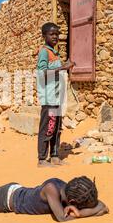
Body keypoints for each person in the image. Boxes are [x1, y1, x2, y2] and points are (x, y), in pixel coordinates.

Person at [36, 22, 75, 168]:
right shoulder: (44, 52)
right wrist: (62, 67)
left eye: (57, 34)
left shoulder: (55, 52)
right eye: (52, 34)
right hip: (49, 98)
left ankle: (54, 156)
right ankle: (41, 159)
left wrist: (66, 65)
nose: (55, 37)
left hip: (57, 98)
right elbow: (42, 74)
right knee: (48, 127)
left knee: (57, 128)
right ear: (44, 36)